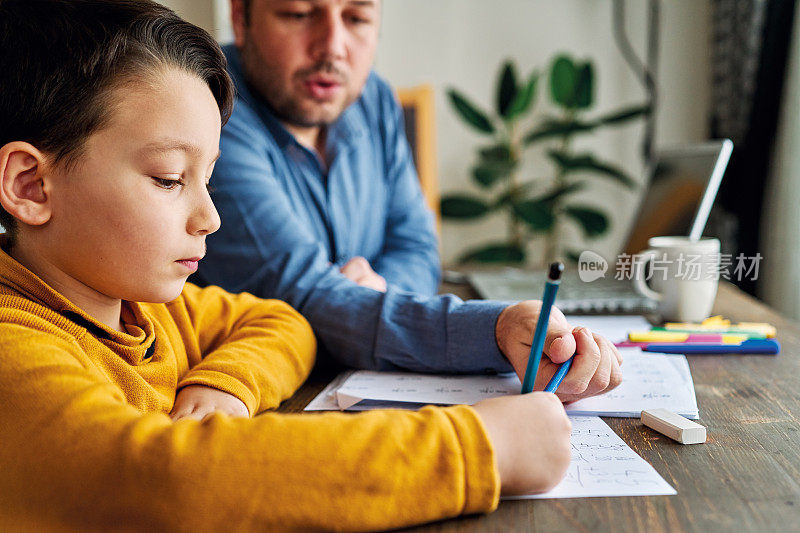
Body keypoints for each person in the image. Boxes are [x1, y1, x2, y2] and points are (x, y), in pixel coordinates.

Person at [0, 1, 575, 530]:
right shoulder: (15, 349)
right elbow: (166, 484)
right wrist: (478, 446)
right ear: (31, 185)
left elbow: (283, 322)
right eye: (170, 179)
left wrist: (225, 382)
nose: (210, 218)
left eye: (208, 179)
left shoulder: (147, 309)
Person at [196, 0, 624, 397]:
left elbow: (416, 247)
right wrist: (496, 331)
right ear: (240, 17)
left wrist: (374, 294)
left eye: (357, 18)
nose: (332, 48)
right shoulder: (207, 111)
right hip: (236, 394)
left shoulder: (373, 100)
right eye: (298, 13)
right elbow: (302, 293)